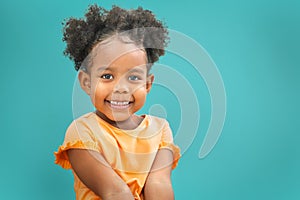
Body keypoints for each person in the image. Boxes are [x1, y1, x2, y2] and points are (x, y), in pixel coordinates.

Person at [54, 4, 180, 200]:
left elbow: (159, 185)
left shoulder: (160, 130)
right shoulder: (82, 132)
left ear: (147, 84)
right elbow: (114, 191)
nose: (121, 88)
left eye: (133, 78)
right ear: (87, 83)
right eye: (107, 76)